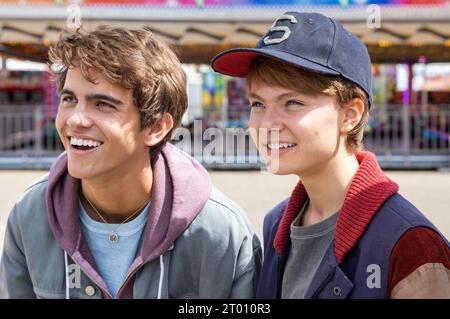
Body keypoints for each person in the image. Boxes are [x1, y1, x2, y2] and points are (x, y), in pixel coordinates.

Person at [0, 26, 261, 299]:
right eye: (69, 99)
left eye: (102, 104)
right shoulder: (29, 217)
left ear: (156, 127)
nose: (75, 120)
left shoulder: (222, 234)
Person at [211, 11, 450, 298]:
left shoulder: (411, 246)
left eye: (293, 102)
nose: (265, 125)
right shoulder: (276, 224)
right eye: (258, 103)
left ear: (351, 114)